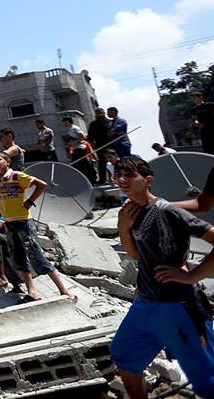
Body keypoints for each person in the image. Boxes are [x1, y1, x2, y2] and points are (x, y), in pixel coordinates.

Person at [110, 156, 214, 398]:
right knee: (124, 356)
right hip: (145, 304)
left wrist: (193, 275)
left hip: (178, 307)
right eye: (118, 175)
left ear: (148, 180)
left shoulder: (169, 211)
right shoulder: (130, 212)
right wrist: (123, 228)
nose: (122, 180)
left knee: (206, 379)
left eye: (129, 175)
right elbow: (135, 255)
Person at [0, 151, 75, 302]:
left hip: (23, 222)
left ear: (7, 162)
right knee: (20, 257)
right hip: (10, 223)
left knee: (37, 255)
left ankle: (64, 290)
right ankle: (32, 291)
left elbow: (41, 185)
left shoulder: (17, 176)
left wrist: (29, 201)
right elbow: (2, 197)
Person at [62, 116, 97, 185]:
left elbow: (83, 137)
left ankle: (92, 179)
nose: (63, 124)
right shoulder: (70, 129)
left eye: (64, 122)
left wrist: (74, 142)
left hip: (80, 149)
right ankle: (86, 180)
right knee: (78, 165)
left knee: (83, 165)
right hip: (76, 149)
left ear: (67, 121)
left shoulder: (75, 128)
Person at [87, 108, 113, 185]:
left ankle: (113, 178)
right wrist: (93, 146)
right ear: (96, 114)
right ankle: (103, 180)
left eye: (101, 112)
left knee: (112, 163)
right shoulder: (93, 124)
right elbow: (90, 137)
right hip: (100, 146)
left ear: (104, 113)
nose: (100, 114)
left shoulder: (110, 122)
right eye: (98, 113)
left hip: (111, 145)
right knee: (102, 164)